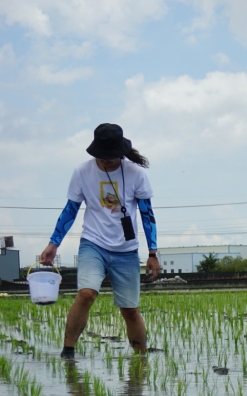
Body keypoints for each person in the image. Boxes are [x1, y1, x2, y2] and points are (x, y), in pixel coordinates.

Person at [39, 124, 159, 359]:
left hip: (126, 250)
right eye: (101, 156)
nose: (106, 161)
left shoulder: (136, 174)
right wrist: (54, 243)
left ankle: (141, 362)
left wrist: (153, 253)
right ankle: (68, 352)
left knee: (130, 309)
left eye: (111, 156)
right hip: (93, 243)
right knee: (86, 293)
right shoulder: (82, 172)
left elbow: (147, 214)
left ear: (121, 153)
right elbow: (70, 210)